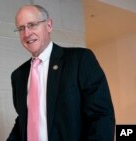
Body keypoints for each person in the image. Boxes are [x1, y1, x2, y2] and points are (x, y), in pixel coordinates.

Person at [7, 4, 115, 141]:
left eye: (32, 25)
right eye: (21, 28)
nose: (27, 33)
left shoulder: (80, 59)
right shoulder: (18, 75)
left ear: (49, 25)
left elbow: (101, 116)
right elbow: (23, 121)